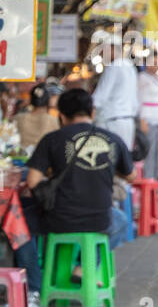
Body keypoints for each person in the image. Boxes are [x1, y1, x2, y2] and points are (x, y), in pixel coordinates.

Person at [13, 88, 134, 296]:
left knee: (17, 219)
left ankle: (33, 286)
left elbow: (32, 182)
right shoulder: (112, 139)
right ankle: (84, 267)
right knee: (121, 221)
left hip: (59, 219)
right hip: (101, 219)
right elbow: (131, 177)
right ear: (92, 112)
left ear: (61, 115)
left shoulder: (53, 139)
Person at [92, 55, 139, 152]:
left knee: (109, 156)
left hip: (112, 120)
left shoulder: (113, 67)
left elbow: (100, 97)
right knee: (124, 157)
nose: (101, 54)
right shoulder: (130, 67)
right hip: (127, 120)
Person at [137, 53, 158, 180]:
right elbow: (138, 99)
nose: (155, 65)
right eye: (153, 62)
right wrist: (141, 119)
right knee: (149, 151)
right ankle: (148, 180)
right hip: (148, 119)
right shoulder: (142, 78)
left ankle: (155, 183)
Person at [15, 83, 60, 151]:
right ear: (48, 100)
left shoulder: (17, 118)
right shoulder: (55, 121)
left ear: (31, 100)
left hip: (21, 158)